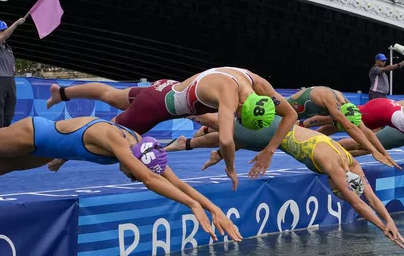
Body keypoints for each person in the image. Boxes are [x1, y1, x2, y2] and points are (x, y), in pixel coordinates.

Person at [0, 117, 240, 242]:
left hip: (53, 147)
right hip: (36, 131)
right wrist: (191, 208)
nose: (130, 178)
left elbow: (174, 181)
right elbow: (150, 180)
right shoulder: (121, 144)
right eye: (132, 175)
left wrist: (212, 208)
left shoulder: (144, 146)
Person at [171, 115, 404, 248]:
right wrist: (383, 227)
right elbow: (359, 203)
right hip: (274, 133)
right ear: (339, 185)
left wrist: (389, 222)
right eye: (337, 191)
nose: (334, 190)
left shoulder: (351, 164)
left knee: (237, 139)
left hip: (277, 132)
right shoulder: (333, 167)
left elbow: (370, 196)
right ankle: (178, 104)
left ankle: (193, 144)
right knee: (222, 127)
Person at [47, 67, 295, 187]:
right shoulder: (229, 98)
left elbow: (290, 114)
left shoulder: (257, 83)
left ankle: (62, 93)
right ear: (242, 108)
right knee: (107, 136)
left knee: (112, 96)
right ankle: (61, 154)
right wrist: (231, 169)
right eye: (239, 118)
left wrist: (270, 150)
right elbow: (227, 141)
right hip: (156, 107)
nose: (236, 119)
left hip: (164, 88)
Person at [286, 85, 397, 167]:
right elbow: (349, 128)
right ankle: (302, 125)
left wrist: (384, 153)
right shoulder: (331, 101)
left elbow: (364, 130)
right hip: (282, 113)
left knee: (332, 124)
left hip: (300, 114)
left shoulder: (346, 105)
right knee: (333, 123)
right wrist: (373, 151)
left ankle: (303, 127)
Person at [0, 18, 27, 132]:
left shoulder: (8, 48)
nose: (4, 32)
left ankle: (3, 143)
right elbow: (4, 37)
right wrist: (16, 23)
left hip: (10, 82)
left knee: (8, 115)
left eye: (5, 30)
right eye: (1, 30)